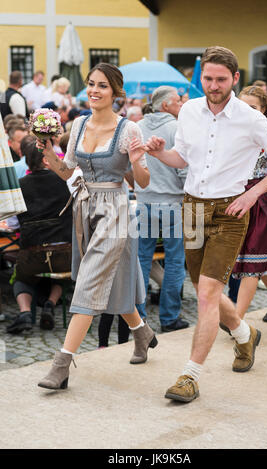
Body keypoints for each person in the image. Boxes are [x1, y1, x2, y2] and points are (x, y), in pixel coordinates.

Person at [144, 46, 267, 403]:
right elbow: (180, 157)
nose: (213, 85)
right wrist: (157, 153)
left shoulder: (251, 117)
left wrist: (252, 194)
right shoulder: (189, 112)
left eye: (220, 79)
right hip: (193, 209)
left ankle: (189, 376)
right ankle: (245, 335)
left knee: (207, 295)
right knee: (202, 287)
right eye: (207, 78)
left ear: (235, 79)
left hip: (231, 213)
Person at [36, 62, 156, 391]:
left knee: (90, 280)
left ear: (116, 93)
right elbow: (68, 172)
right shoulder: (78, 124)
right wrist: (49, 152)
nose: (94, 90)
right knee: (112, 279)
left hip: (116, 211)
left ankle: (61, 364)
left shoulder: (129, 130)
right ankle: (142, 333)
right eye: (91, 84)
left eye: (102, 85)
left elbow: (142, 182)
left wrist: (134, 161)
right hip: (85, 209)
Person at [231, 86, 267, 323]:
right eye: (243, 107)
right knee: (257, 257)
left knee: (253, 257)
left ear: (263, 109)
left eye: (253, 107)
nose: (247, 112)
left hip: (264, 201)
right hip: (238, 198)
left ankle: (236, 319)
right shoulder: (232, 132)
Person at [135, 85, 189, 332]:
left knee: (142, 259)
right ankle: (169, 318)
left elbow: (130, 163)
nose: (181, 104)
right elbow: (184, 170)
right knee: (175, 261)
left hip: (145, 200)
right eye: (177, 101)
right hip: (172, 202)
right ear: (165, 105)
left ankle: (140, 318)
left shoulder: (137, 126)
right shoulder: (177, 128)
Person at [6, 139, 72, 334]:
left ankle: (25, 313)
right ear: (46, 160)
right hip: (64, 255)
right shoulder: (65, 182)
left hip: (32, 254)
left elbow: (12, 224)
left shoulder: (19, 186)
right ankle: (51, 303)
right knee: (64, 275)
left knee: (20, 277)